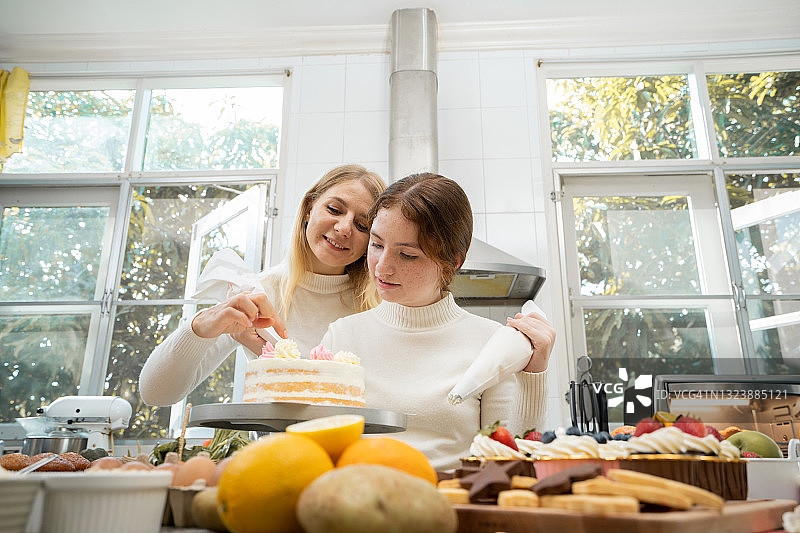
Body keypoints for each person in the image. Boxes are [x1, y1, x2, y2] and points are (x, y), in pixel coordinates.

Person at [321, 173, 555, 471]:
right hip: (357, 506)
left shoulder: (492, 344)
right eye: (377, 244)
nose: (382, 266)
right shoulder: (341, 337)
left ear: (453, 262)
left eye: (407, 255)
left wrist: (534, 373)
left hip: (451, 507)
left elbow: (511, 463)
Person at [140, 164, 386, 407]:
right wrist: (200, 326)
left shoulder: (382, 307)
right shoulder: (257, 296)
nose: (344, 228)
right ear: (309, 208)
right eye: (334, 209)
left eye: (362, 225)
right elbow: (156, 394)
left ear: (373, 239)